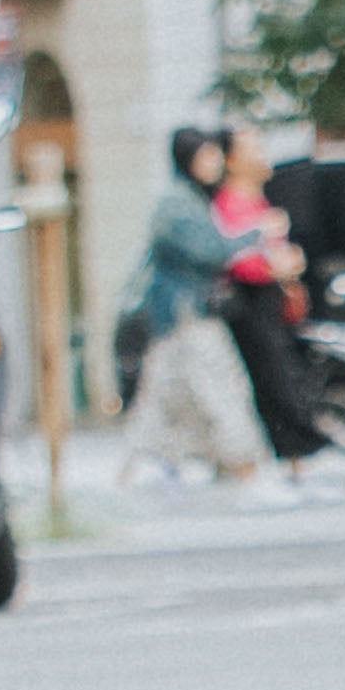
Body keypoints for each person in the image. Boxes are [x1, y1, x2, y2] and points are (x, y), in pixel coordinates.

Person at [118, 124, 267, 487]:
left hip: (180, 315)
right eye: (208, 156)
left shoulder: (193, 198)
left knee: (166, 395)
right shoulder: (178, 203)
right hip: (184, 313)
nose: (215, 163)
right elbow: (209, 250)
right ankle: (241, 463)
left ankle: (139, 468)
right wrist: (255, 233)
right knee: (218, 386)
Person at [210, 127, 329, 477]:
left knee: (286, 375)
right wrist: (273, 267)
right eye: (251, 148)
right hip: (252, 304)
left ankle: (296, 461)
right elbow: (235, 259)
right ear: (231, 160)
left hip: (273, 302)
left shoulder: (258, 201)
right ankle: (287, 459)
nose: (261, 154)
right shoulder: (229, 204)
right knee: (273, 379)